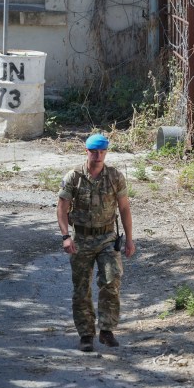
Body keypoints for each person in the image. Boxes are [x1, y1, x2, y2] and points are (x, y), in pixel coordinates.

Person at [56, 133, 136, 352]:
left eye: (102, 152)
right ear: (87, 152)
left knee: (112, 280)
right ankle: (86, 334)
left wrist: (129, 239)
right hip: (81, 239)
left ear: (106, 152)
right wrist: (65, 236)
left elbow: (125, 208)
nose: (98, 156)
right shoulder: (74, 177)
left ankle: (107, 330)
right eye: (94, 152)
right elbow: (61, 208)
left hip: (107, 238)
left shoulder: (115, 176)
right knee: (81, 289)